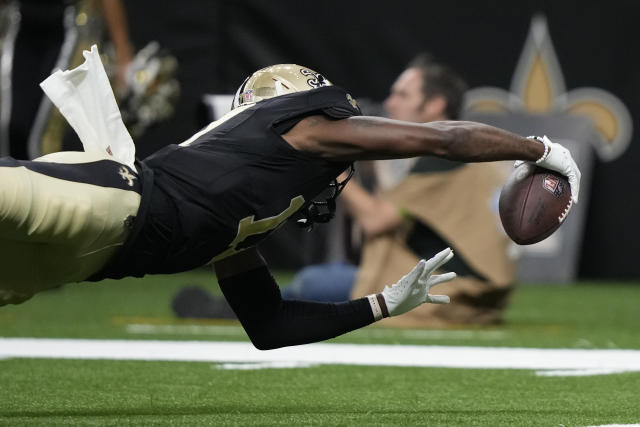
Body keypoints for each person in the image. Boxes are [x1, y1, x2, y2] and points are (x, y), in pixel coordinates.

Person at [0, 53, 581, 351]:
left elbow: (270, 326)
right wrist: (541, 147)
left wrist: (381, 306)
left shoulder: (247, 224)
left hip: (79, 263)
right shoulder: (301, 125)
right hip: (104, 202)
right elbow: (445, 138)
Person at [282, 54, 517, 326]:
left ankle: (243, 310)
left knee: (311, 283)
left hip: (452, 287)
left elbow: (376, 220)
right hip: (472, 287)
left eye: (402, 95)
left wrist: (327, 160)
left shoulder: (441, 158)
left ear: (435, 105)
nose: (389, 103)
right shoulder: (464, 156)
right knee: (323, 280)